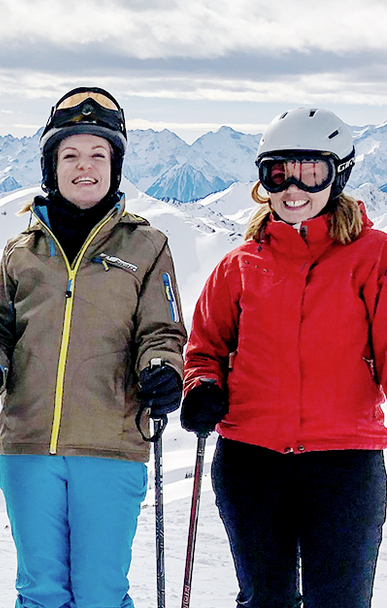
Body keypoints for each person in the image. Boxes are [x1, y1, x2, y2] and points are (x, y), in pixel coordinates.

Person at [0, 87, 186, 608]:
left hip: (111, 442)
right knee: (41, 591)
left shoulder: (147, 246)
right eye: (71, 155)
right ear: (51, 167)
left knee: (101, 592)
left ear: (115, 166)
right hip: (28, 444)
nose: (85, 166)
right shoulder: (21, 251)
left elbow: (162, 332)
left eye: (99, 154)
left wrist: (162, 369)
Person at [181, 107, 387, 608]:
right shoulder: (239, 265)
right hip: (252, 460)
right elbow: (205, 347)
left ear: (339, 174)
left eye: (310, 172)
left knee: (339, 600)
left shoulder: (373, 256)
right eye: (278, 173)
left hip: (344, 463)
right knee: (264, 599)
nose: (293, 188)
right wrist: (202, 386)